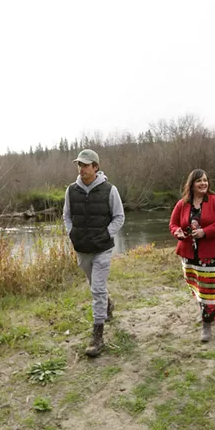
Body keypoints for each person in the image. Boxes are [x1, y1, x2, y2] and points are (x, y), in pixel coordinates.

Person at [63, 149, 125, 357]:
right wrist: (72, 233)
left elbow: (119, 217)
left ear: (95, 167)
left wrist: (106, 234)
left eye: (86, 165)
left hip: (103, 248)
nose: (82, 168)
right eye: (79, 165)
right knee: (94, 284)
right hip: (82, 249)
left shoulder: (109, 190)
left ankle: (97, 336)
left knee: (97, 288)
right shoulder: (71, 191)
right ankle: (107, 304)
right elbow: (67, 216)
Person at [169, 169, 215, 342]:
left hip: (213, 254)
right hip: (189, 254)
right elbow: (173, 224)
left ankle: (207, 324)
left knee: (209, 289)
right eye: (199, 181)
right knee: (196, 285)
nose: (203, 183)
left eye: (205, 180)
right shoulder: (182, 203)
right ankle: (212, 305)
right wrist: (177, 232)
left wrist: (205, 232)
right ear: (191, 184)